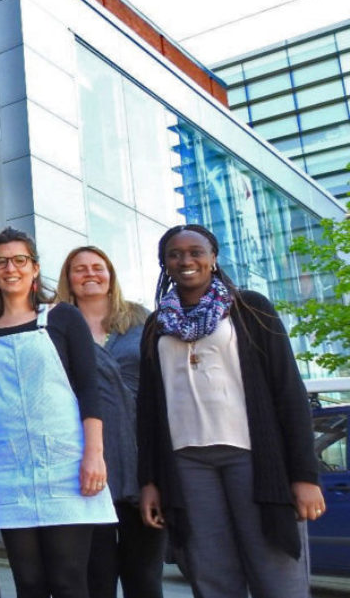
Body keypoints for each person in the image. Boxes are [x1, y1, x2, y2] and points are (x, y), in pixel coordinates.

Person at [136, 225, 323, 598]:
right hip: (186, 464)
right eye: (175, 254)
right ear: (165, 263)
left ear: (213, 258)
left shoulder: (250, 308)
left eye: (196, 251)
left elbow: (289, 392)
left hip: (253, 460)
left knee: (276, 573)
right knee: (211, 576)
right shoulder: (156, 326)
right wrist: (150, 481)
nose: (186, 260)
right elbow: (148, 412)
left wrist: (305, 475)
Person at [0, 228, 115, 598]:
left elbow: (89, 391)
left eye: (19, 260)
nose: (10, 268)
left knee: (67, 580)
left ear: (34, 268)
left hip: (68, 466)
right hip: (6, 469)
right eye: (1, 262)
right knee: (28, 583)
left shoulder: (63, 318)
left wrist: (94, 455)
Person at [56, 246, 164, 598]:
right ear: (68, 278)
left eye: (97, 267)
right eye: (79, 268)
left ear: (110, 274)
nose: (89, 274)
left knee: (145, 577)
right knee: (95, 578)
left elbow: (160, 385)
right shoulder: (55, 325)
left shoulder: (141, 319)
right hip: (84, 459)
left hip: (139, 457)